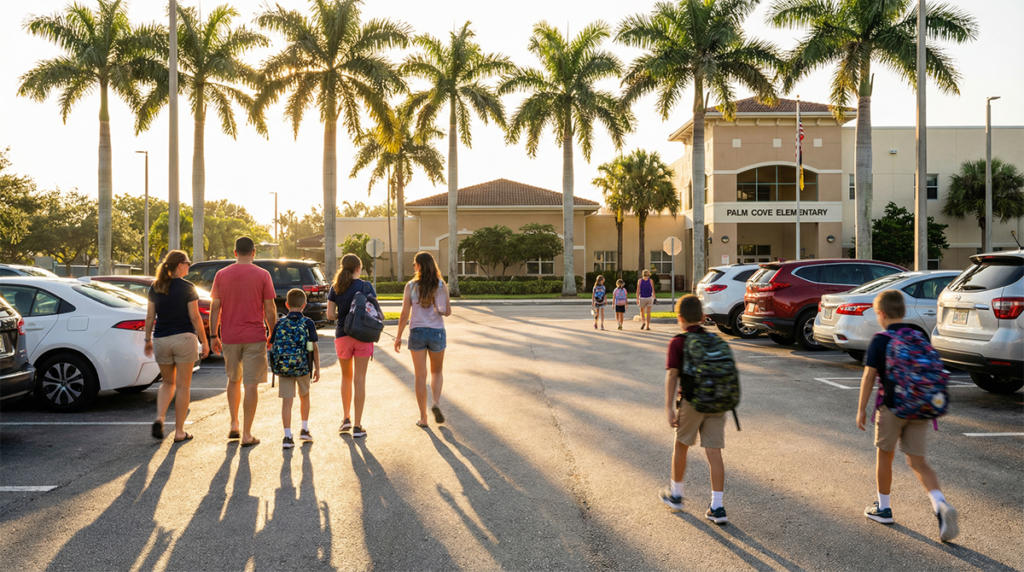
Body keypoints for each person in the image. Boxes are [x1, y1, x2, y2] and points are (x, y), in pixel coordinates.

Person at [856, 290, 958, 541]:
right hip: (921, 407)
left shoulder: (880, 340)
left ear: (881, 314)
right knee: (917, 462)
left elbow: (869, 377)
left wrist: (861, 408)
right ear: (903, 312)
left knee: (885, 457)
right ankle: (940, 504)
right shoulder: (917, 336)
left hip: (891, 407)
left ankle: (883, 508)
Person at [660, 295, 730, 524]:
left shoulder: (678, 342)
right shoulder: (715, 340)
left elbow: (672, 375)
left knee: (681, 446)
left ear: (679, 318)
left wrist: (669, 407)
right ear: (702, 316)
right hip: (717, 402)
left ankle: (676, 494)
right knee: (714, 452)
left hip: (691, 402)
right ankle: (717, 507)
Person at [210, 236, 277, 447]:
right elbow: (270, 308)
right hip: (255, 336)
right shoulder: (263, 275)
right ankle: (247, 434)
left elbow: (215, 307)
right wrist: (272, 333)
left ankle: (234, 424)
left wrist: (213, 335)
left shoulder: (221, 275)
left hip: (229, 336)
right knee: (251, 385)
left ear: (235, 252)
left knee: (233, 380)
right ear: (254, 252)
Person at [145, 250, 209, 443]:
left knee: (167, 382)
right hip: (184, 338)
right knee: (183, 386)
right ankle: (179, 431)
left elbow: (150, 316)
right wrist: (204, 340)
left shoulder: (156, 286)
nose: (189, 266)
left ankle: (159, 418)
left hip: (161, 339)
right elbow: (195, 317)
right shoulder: (188, 287)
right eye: (188, 263)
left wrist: (148, 339)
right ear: (180, 265)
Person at [394, 251, 452, 427]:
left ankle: (423, 418)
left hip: (417, 332)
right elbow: (447, 312)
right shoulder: (441, 285)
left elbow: (405, 314)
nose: (413, 267)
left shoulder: (410, 286)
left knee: (420, 376)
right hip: (437, 332)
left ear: (419, 266)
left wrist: (398, 337)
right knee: (437, 372)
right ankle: (436, 403)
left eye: (414, 264)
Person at [327, 253, 376, 438]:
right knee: (360, 379)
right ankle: (357, 426)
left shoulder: (336, 287)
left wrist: (345, 315)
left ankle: (345, 419)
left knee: (346, 378)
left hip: (342, 335)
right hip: (363, 335)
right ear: (358, 268)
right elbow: (374, 310)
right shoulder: (366, 286)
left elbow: (330, 315)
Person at [271, 288, 321, 449]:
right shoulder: (307, 323)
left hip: (284, 366)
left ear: (286, 304)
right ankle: (304, 428)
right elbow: (313, 347)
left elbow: (272, 343)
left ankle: (287, 436)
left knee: (287, 401)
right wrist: (317, 368)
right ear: (304, 305)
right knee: (304, 396)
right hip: (303, 366)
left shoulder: (280, 323)